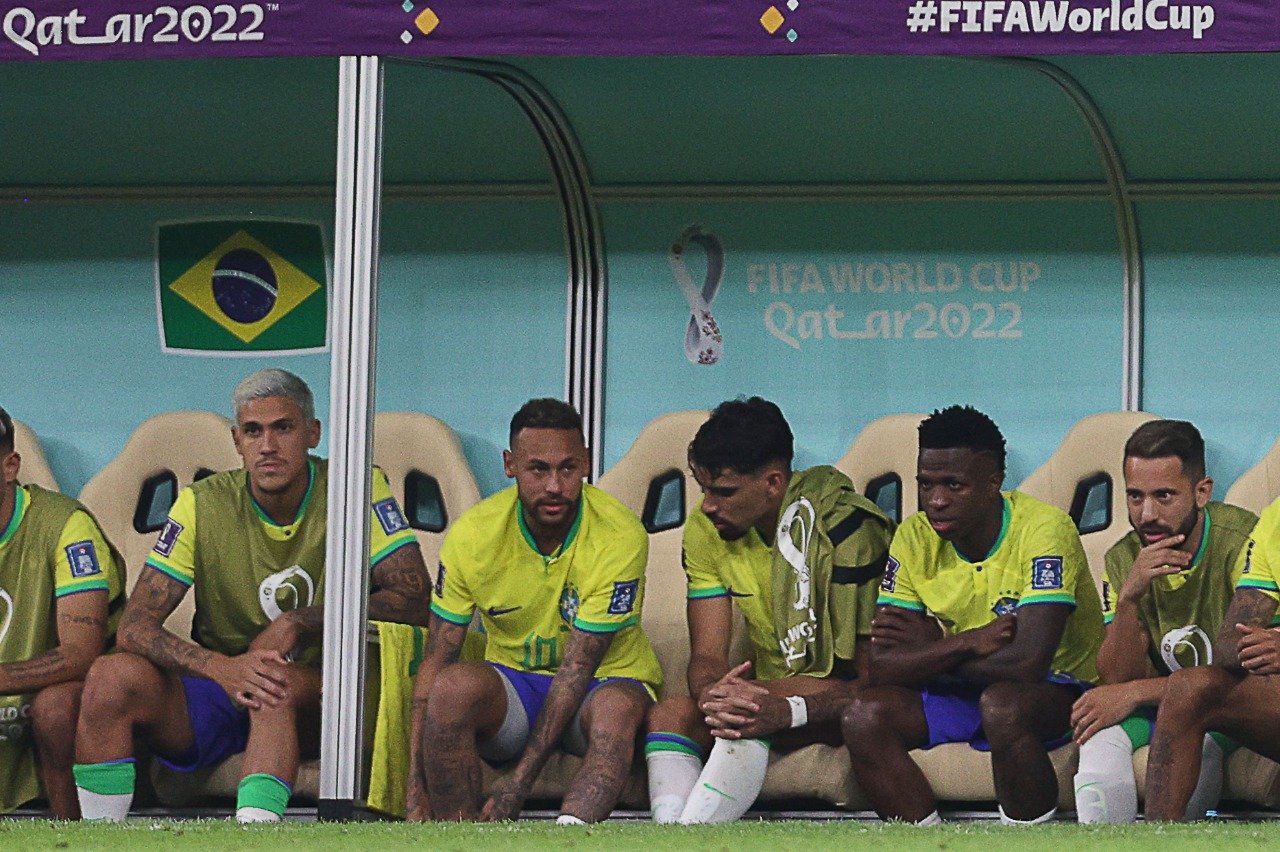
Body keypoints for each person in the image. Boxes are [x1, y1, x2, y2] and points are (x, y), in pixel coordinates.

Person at [72, 369, 430, 823]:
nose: (268, 445)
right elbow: (134, 628)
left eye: (283, 427)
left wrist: (299, 621)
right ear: (236, 440)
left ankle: (254, 835)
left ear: (312, 433)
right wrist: (219, 667)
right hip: (223, 682)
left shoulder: (355, 487)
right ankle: (99, 834)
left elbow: (416, 598)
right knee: (110, 676)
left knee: (269, 682)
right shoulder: (201, 502)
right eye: (253, 431)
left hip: (322, 692)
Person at [842, 405, 1104, 826]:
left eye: (954, 485)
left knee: (1002, 705)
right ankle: (925, 840)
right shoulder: (913, 537)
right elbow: (883, 667)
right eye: (926, 484)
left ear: (993, 483)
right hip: (971, 685)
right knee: (863, 715)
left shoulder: (1044, 529)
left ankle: (1027, 840)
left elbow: (1026, 663)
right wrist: (962, 642)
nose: (937, 500)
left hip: (1059, 690)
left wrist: (929, 655)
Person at [407, 399, 661, 824]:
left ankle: (570, 835)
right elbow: (437, 659)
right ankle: (457, 836)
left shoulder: (620, 534)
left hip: (601, 684)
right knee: (451, 688)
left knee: (617, 709)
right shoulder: (473, 534)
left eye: (567, 468)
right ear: (510, 465)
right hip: (516, 691)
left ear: (585, 464)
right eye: (538, 469)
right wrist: (414, 788)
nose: (555, 486)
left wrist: (519, 783)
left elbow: (576, 671)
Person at [644, 397, 893, 823]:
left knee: (745, 706)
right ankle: (670, 829)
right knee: (671, 713)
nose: (707, 506)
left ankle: (688, 834)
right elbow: (706, 657)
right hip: (762, 693)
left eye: (724, 492)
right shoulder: (707, 529)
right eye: (704, 490)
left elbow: (870, 683)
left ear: (773, 482)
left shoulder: (846, 528)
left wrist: (760, 703)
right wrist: (711, 693)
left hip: (834, 699)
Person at [1072, 420, 1256, 823]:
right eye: (1135, 497)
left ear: (1202, 492)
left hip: (1224, 704)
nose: (1147, 514)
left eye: (1164, 496)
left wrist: (1136, 692)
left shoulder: (1241, 541)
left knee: (1196, 746)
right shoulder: (1123, 557)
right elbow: (1116, 678)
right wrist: (1128, 600)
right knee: (1097, 749)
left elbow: (1242, 671)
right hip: (1159, 701)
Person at [0, 406, 124, 818]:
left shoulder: (65, 527)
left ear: (9, 466)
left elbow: (81, 653)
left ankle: (71, 833)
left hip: (37, 714)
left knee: (57, 709)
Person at [1144, 495, 1280, 820]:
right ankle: (1156, 840)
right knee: (1189, 688)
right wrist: (1258, 648)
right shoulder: (1276, 519)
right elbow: (1229, 646)